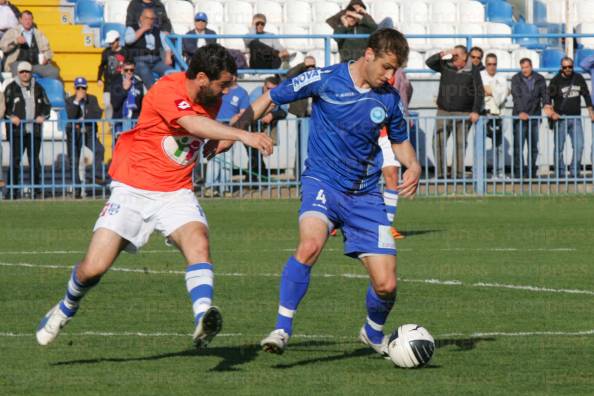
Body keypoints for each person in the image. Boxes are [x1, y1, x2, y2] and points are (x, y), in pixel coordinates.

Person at [35, 44, 273, 347]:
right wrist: (242, 135)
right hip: (133, 187)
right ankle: (66, 306)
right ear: (201, 78)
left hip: (176, 191)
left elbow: (221, 131)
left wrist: (267, 102)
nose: (227, 91)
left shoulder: (210, 96)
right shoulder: (166, 88)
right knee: (92, 269)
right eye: (223, 84)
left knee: (198, 240)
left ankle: (203, 316)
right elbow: (193, 123)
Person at [234, 28, 421, 355]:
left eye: (395, 70)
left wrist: (414, 166)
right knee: (309, 245)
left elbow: (400, 141)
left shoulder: (388, 98)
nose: (390, 76)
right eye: (386, 67)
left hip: (365, 196)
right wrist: (233, 133)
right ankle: (281, 328)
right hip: (322, 183)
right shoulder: (324, 79)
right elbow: (271, 97)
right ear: (369, 54)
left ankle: (373, 332)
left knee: (387, 285)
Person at [426, 46, 484, 179]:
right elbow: (429, 62)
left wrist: (475, 111)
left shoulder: (473, 70)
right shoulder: (446, 65)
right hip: (443, 111)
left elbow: (479, 92)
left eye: (456, 55)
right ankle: (441, 174)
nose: (453, 57)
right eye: (453, 55)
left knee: (460, 144)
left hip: (464, 113)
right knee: (438, 142)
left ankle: (457, 175)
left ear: (464, 57)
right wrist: (444, 53)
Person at [3, 61, 50, 199]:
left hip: (34, 131)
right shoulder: (11, 88)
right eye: (22, 72)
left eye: (27, 72)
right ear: (18, 73)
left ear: (31, 73)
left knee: (34, 161)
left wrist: (42, 116)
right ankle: (12, 191)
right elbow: (4, 107)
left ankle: (36, 191)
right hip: (17, 132)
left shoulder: (39, 88)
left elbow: (47, 105)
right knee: (15, 160)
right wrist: (11, 116)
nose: (24, 74)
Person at [545, 56, 594, 178]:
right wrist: (551, 113)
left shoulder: (578, 78)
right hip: (560, 119)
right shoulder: (555, 80)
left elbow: (586, 95)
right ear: (561, 67)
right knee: (559, 149)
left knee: (579, 146)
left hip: (576, 118)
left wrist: (590, 110)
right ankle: (559, 174)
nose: (567, 69)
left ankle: (574, 173)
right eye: (565, 67)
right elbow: (547, 99)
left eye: (570, 66)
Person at [204, 72, 250, 196]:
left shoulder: (242, 93)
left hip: (229, 128)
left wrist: (238, 117)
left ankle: (224, 188)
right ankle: (210, 187)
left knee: (227, 158)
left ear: (234, 77)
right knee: (213, 157)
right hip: (214, 125)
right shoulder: (218, 88)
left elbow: (244, 112)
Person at [65, 77, 106, 198]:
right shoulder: (70, 100)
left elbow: (97, 114)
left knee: (100, 149)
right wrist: (77, 101)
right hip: (74, 133)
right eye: (78, 88)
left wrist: (84, 119)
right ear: (75, 88)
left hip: (89, 132)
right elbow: (71, 115)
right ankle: (77, 190)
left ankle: (95, 175)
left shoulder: (92, 99)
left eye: (83, 88)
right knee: (74, 160)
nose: (81, 90)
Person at [510, 57, 547, 178]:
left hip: (534, 117)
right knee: (518, 147)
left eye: (526, 67)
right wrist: (521, 112)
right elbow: (516, 96)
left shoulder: (540, 78)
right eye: (522, 68)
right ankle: (519, 173)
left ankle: (531, 173)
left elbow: (545, 95)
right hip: (519, 118)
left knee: (533, 148)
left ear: (531, 66)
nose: (524, 70)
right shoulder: (516, 78)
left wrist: (547, 105)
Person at [247, 75, 286, 182]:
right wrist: (262, 115)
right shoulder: (255, 94)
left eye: (273, 90)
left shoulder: (279, 94)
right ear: (264, 86)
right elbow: (251, 112)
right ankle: (256, 179)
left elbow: (284, 112)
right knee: (254, 154)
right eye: (268, 89)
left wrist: (272, 115)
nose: (270, 92)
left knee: (257, 154)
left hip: (267, 127)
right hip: (252, 126)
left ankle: (254, 179)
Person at [0, 10, 60, 78]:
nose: (28, 22)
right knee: (20, 72)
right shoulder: (13, 32)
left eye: (30, 19)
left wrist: (46, 57)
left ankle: (43, 88)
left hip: (36, 64)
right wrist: (15, 41)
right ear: (20, 20)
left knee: (53, 72)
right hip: (18, 63)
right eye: (25, 19)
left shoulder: (38, 33)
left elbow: (49, 50)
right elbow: (2, 47)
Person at [125, 7, 173, 89]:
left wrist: (168, 56)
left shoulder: (157, 31)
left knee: (172, 72)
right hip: (139, 61)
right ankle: (154, 94)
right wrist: (142, 29)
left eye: (152, 19)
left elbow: (166, 44)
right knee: (145, 71)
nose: (149, 21)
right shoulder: (132, 28)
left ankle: (172, 94)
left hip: (156, 62)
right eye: (147, 18)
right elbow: (128, 40)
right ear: (141, 18)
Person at [481, 53, 509, 179]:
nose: (492, 67)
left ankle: (499, 172)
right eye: (489, 64)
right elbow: (479, 94)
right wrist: (496, 91)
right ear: (485, 64)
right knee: (479, 145)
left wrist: (489, 91)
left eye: (494, 64)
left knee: (499, 146)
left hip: (499, 115)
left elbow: (502, 97)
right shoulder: (480, 76)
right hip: (483, 114)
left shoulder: (502, 78)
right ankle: (480, 173)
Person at [97, 30, 128, 120]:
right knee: (107, 104)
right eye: (109, 43)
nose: (111, 45)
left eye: (112, 42)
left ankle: (117, 123)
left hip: (120, 83)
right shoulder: (106, 52)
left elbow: (130, 65)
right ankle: (110, 123)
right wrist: (99, 78)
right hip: (108, 83)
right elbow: (101, 66)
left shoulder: (125, 52)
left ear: (118, 40)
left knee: (118, 104)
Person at [110, 59, 144, 137]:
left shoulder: (138, 84)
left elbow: (141, 105)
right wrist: (124, 90)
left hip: (134, 122)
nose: (129, 72)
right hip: (120, 121)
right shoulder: (116, 83)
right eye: (126, 70)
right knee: (119, 147)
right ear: (122, 70)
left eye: (131, 70)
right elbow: (115, 104)